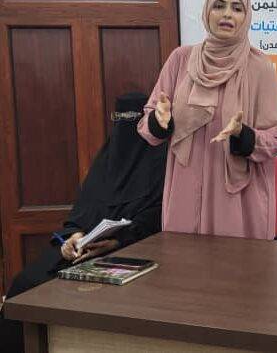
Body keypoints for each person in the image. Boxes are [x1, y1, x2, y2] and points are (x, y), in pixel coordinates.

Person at [0, 92, 167, 353]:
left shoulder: (161, 169)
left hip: (128, 255)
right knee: (25, 284)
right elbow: (78, 215)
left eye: (132, 120)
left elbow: (154, 222)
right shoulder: (105, 164)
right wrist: (71, 238)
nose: (124, 130)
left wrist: (117, 241)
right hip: (80, 253)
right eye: (119, 119)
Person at [137, 0, 277, 239]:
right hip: (185, 189)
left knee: (232, 262)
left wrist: (243, 135)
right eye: (219, 6)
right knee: (184, 258)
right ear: (207, 12)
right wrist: (159, 121)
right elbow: (148, 124)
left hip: (238, 196)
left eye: (237, 8)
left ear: (246, 16)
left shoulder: (259, 67)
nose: (227, 14)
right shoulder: (181, 60)